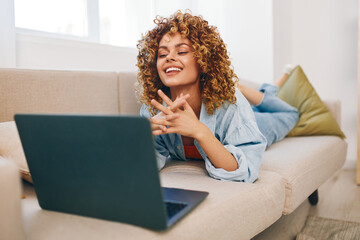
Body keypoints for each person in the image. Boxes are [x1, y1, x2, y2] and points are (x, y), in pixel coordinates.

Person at [136, 11, 298, 182]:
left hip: (253, 123)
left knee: (291, 115)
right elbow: (141, 165)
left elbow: (245, 171)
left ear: (203, 59)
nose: (169, 57)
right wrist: (142, 137)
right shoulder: (153, 109)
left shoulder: (230, 103)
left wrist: (199, 130)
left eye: (182, 51)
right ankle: (269, 89)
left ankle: (268, 85)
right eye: (162, 54)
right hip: (241, 113)